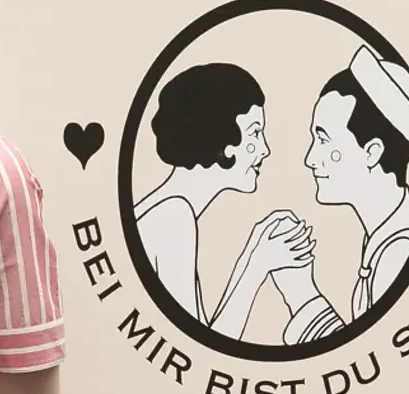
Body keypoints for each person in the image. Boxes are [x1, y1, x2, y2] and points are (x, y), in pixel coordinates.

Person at [133, 62, 313, 338]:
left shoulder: (169, 211)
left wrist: (254, 252)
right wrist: (256, 264)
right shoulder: (173, 216)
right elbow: (197, 349)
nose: (265, 149)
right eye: (255, 132)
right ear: (220, 135)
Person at [274, 46, 409, 344]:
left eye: (323, 140)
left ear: (372, 153)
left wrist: (300, 293)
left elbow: (381, 356)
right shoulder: (386, 236)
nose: (310, 158)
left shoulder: (400, 251)